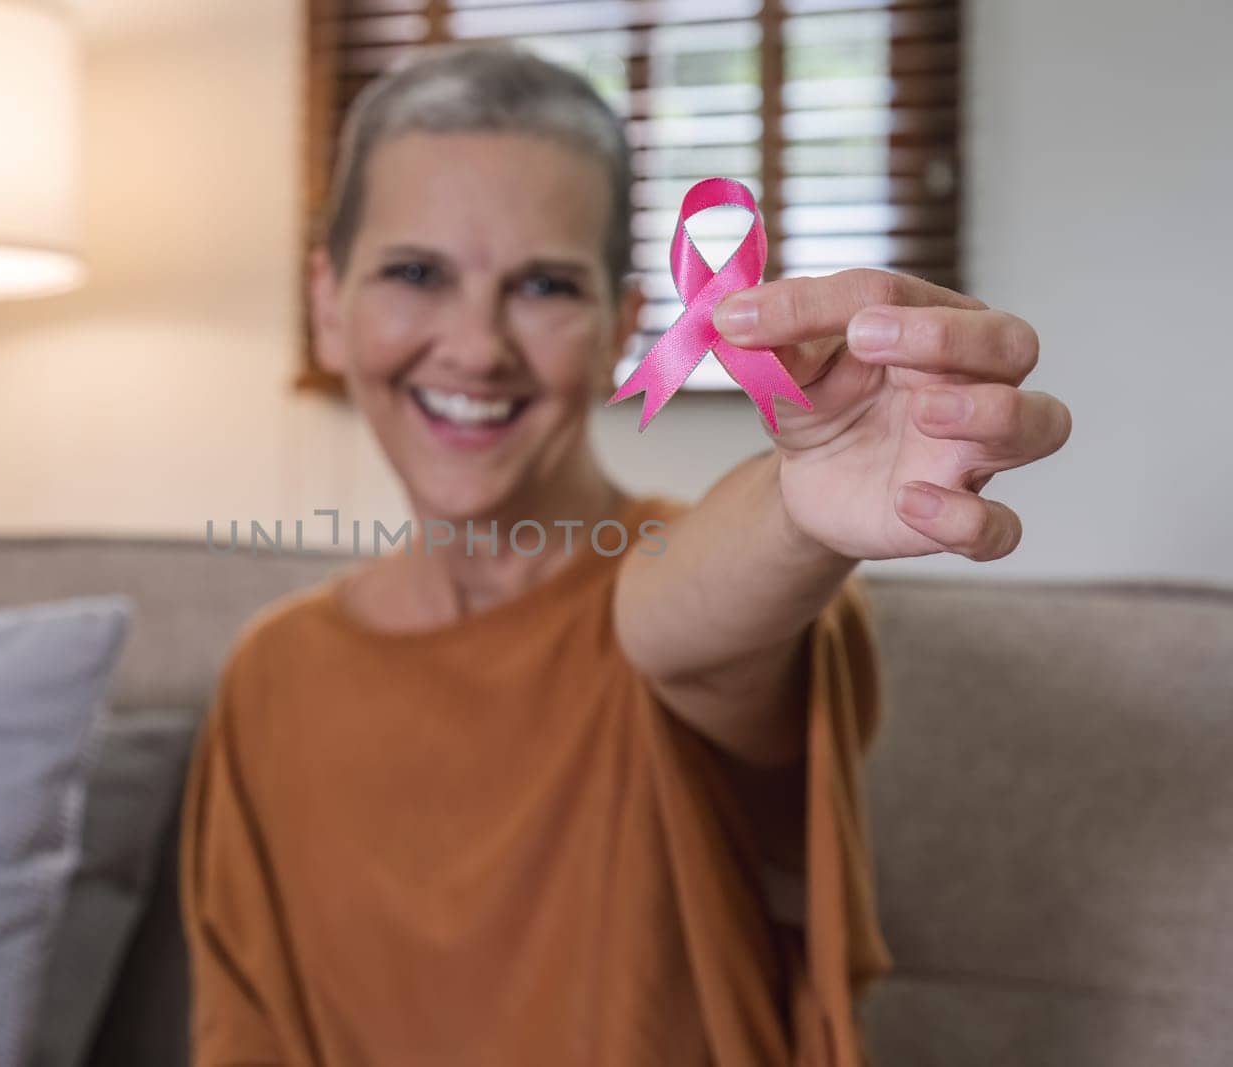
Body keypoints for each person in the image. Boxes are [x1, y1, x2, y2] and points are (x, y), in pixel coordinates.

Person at [180, 45, 1071, 1067]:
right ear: (328, 302)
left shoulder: (693, 592)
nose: (476, 347)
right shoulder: (273, 674)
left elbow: (673, 628)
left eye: (544, 285)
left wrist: (797, 504)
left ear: (625, 329)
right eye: (416, 272)